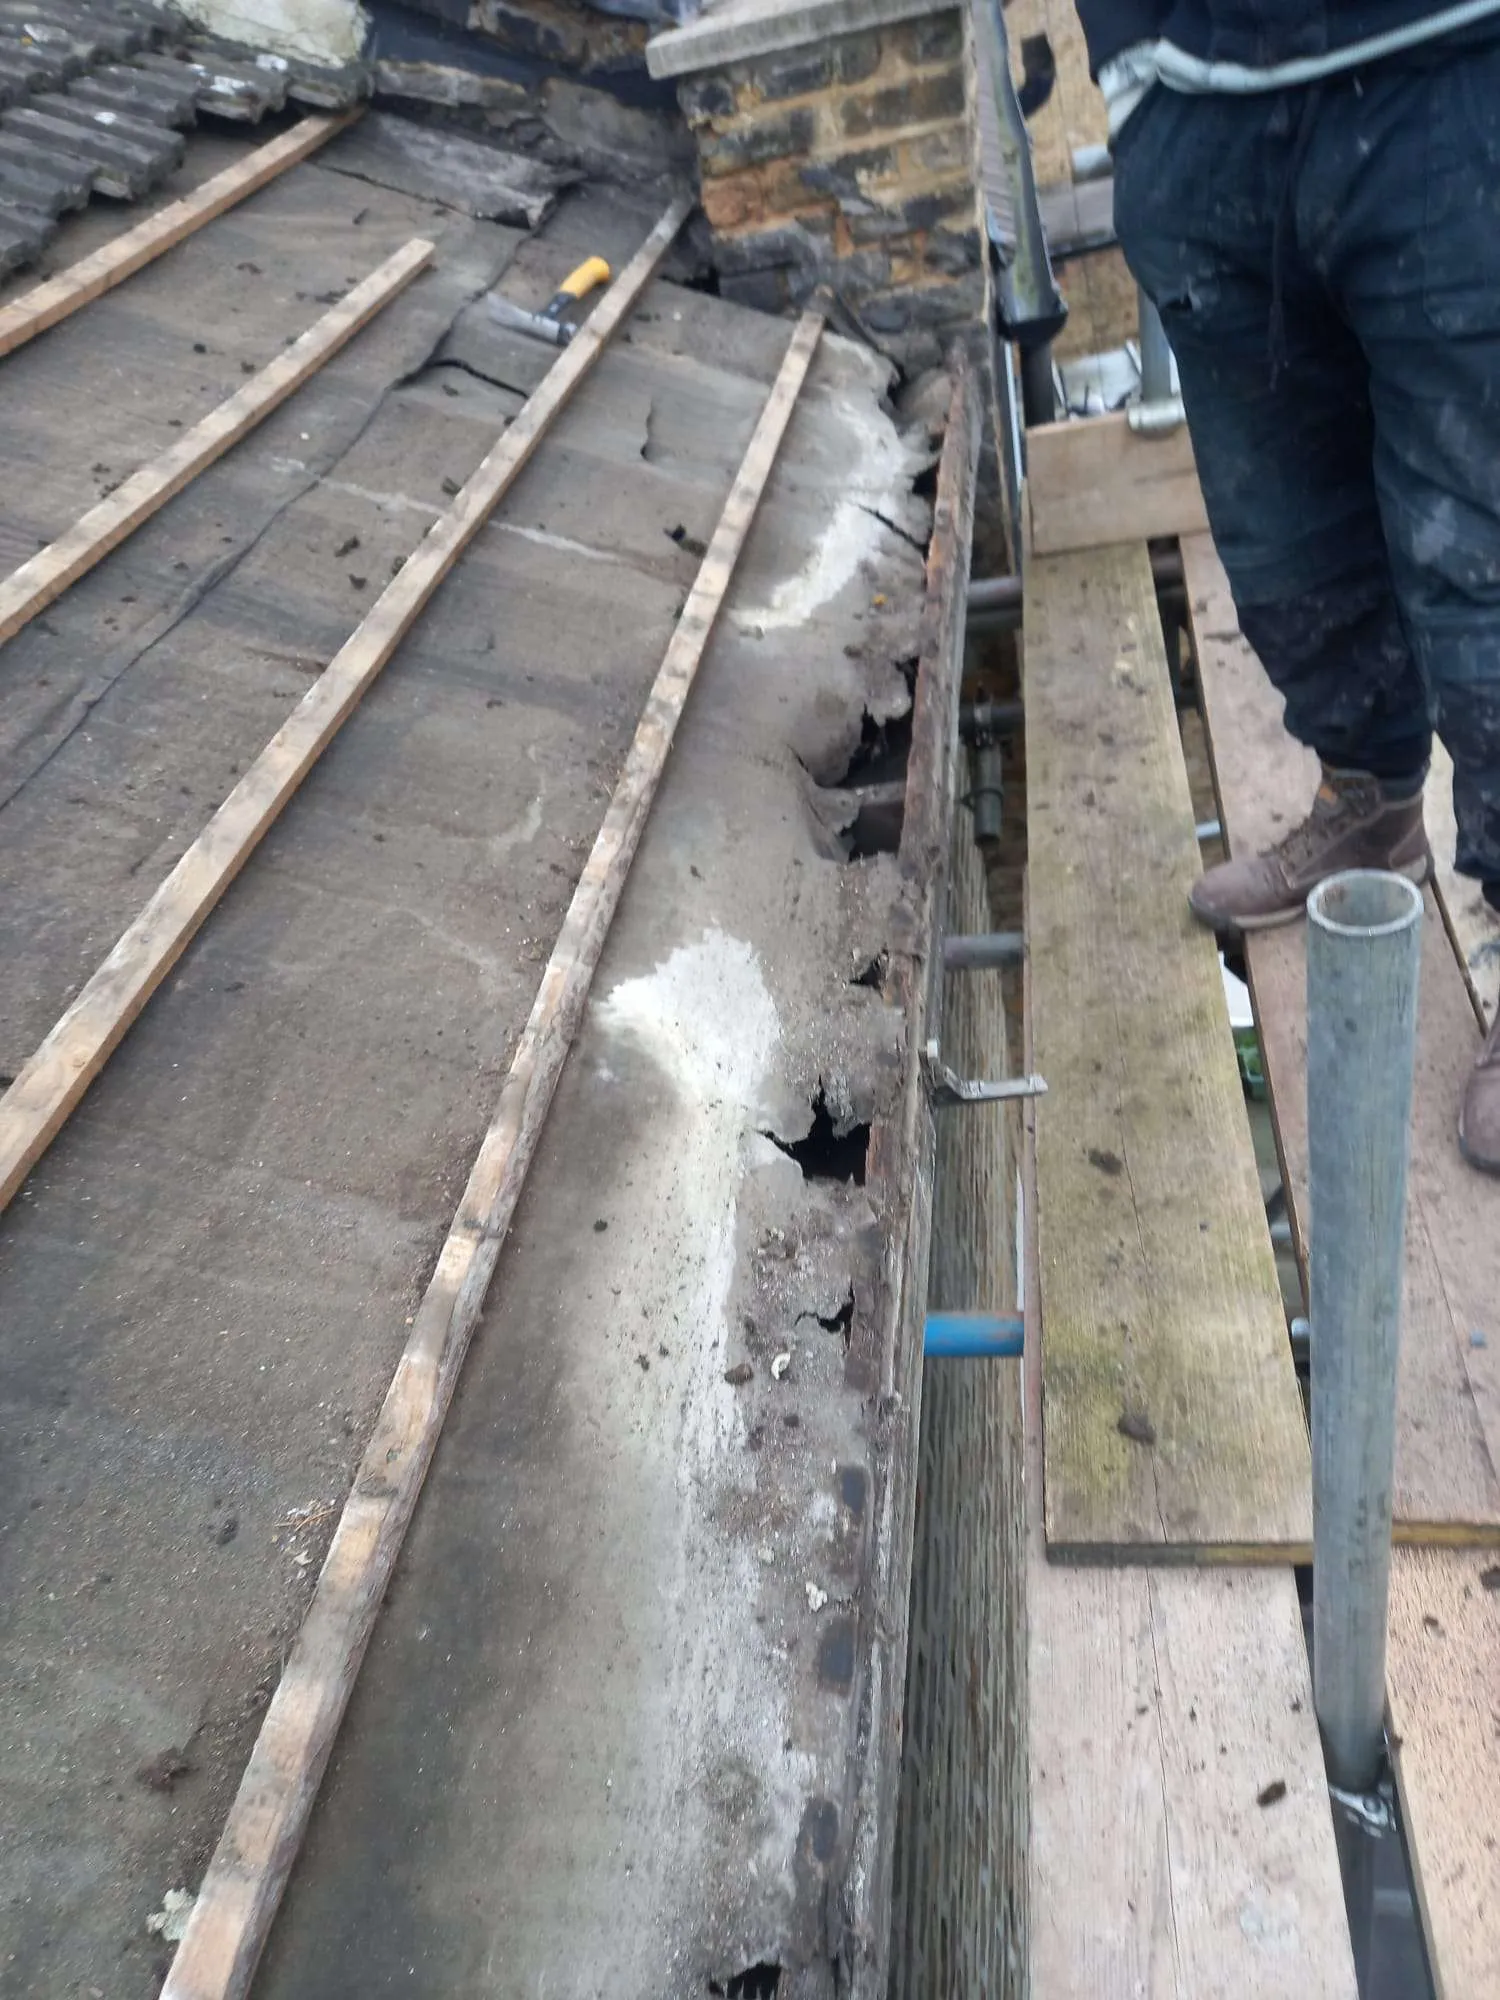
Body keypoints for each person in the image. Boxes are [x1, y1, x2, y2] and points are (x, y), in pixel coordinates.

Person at [1072, 0, 1500, 1172]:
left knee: (1484, 561)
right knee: (1287, 549)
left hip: (1448, 68)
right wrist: (1135, 86)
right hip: (1197, 106)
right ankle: (1369, 804)